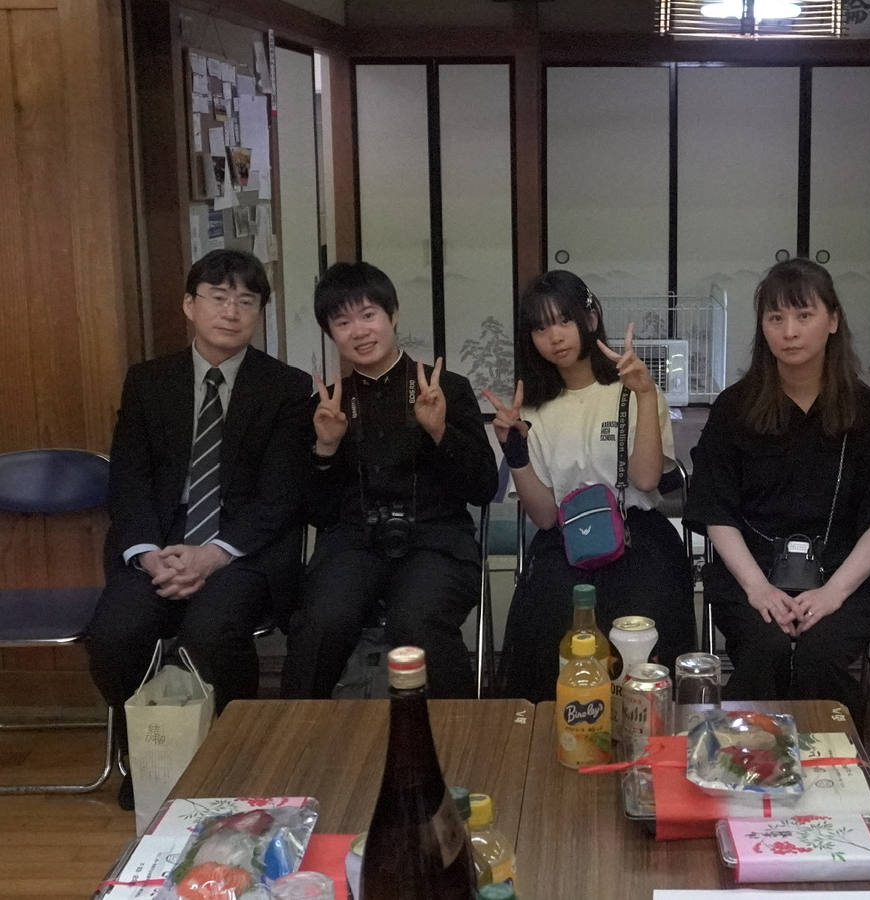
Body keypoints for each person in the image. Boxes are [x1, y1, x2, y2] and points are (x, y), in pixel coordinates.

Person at [87, 249, 312, 809]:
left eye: (246, 301)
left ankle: (228, 757)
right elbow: (129, 479)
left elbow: (281, 495)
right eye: (218, 297)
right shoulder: (148, 382)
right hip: (158, 546)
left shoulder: (286, 386)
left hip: (242, 550)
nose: (231, 312)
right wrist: (149, 555)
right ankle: (151, 754)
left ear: (259, 313)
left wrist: (213, 554)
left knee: (210, 632)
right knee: (115, 632)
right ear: (190, 305)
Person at [683, 258, 870, 727]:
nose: (790, 332)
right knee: (767, 648)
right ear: (762, 327)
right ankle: (752, 758)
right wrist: (758, 588)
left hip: (844, 573)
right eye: (775, 318)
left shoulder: (869, 411)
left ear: (833, 320)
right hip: (752, 571)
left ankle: (831, 759)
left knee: (821, 654)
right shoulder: (734, 407)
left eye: (804, 315)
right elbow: (716, 510)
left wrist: (833, 593)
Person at [280, 261, 498, 700]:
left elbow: (483, 488)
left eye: (368, 315)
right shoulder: (326, 406)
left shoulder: (446, 389)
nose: (359, 331)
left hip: (436, 542)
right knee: (323, 619)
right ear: (330, 332)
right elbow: (318, 513)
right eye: (343, 322)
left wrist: (440, 431)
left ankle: (459, 731)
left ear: (393, 314)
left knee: (416, 621)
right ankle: (296, 733)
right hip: (353, 545)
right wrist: (325, 448)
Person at [487, 270, 695, 703]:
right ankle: (562, 723)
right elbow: (545, 516)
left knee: (642, 612)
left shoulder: (633, 389)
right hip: (566, 539)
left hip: (637, 535)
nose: (555, 337)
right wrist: (515, 452)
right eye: (540, 328)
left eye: (565, 320)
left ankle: (644, 722)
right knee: (551, 612)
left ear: (591, 318)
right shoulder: (534, 408)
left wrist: (645, 395)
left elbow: (645, 480)